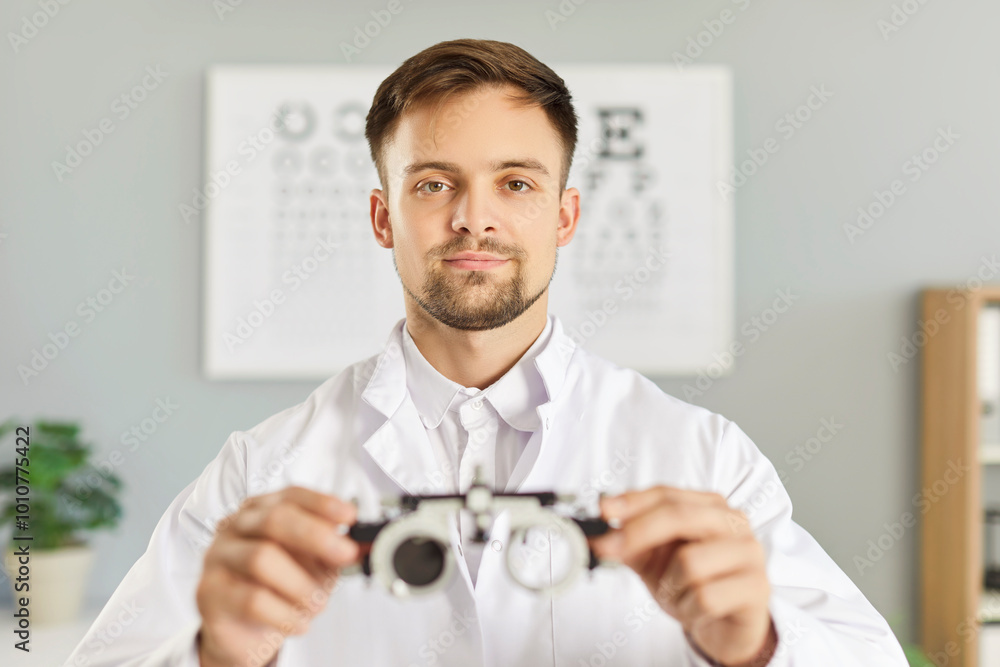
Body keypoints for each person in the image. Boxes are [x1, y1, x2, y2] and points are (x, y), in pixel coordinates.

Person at [65, 38, 907, 667]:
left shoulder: (704, 460)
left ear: (564, 217)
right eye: (434, 183)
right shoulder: (262, 472)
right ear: (383, 217)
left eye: (516, 183)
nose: (475, 218)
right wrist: (216, 655)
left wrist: (759, 644)